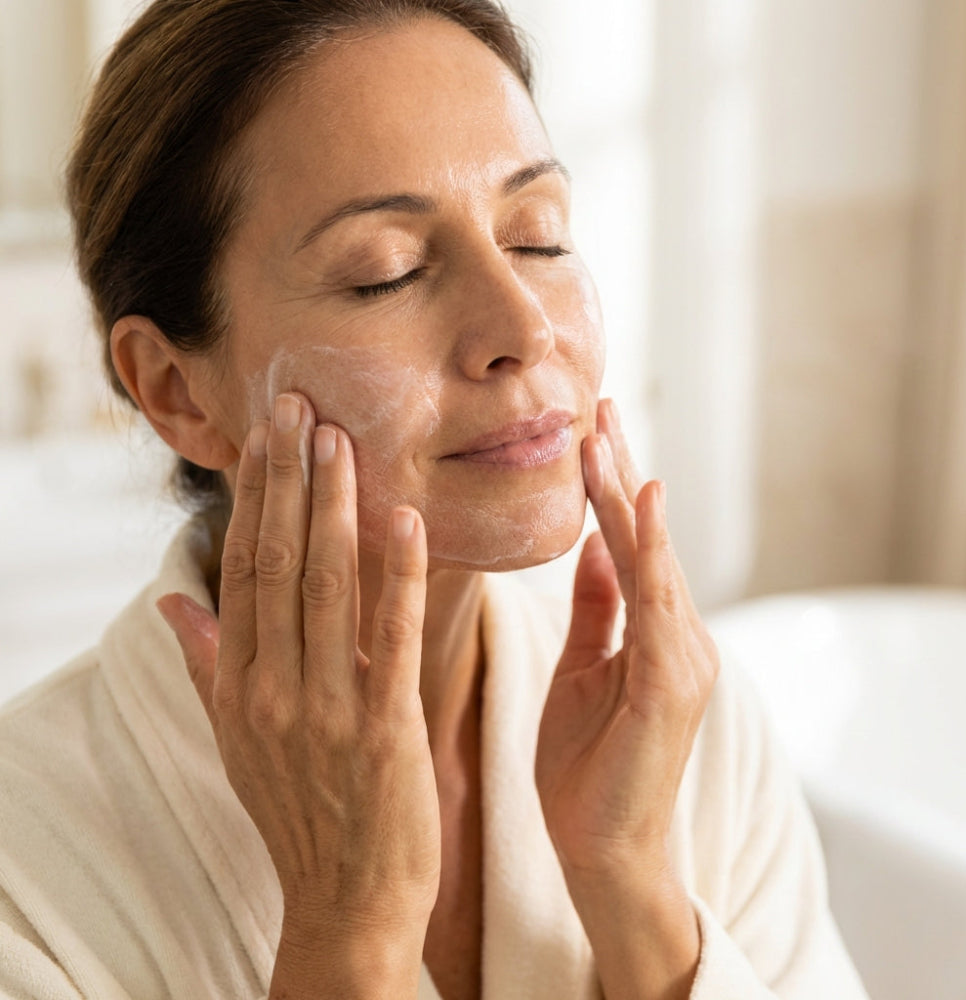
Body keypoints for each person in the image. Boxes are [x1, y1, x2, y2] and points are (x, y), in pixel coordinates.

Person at [0, 2, 870, 998]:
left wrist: (632, 887)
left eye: (537, 237)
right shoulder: (22, 867)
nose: (522, 327)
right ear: (175, 390)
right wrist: (347, 936)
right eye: (388, 271)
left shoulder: (685, 734)